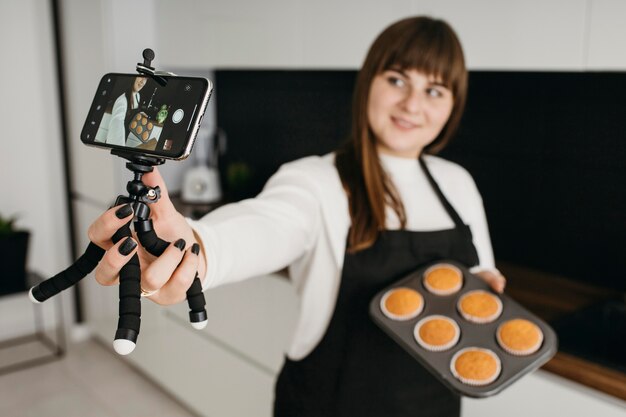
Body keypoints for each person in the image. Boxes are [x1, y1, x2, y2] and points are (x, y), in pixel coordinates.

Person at [89, 16, 506, 417]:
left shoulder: (458, 184)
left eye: (434, 90)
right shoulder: (316, 182)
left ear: (453, 103)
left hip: (435, 404)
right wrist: (189, 249)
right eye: (397, 79)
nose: (412, 104)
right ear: (369, 83)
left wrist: (482, 289)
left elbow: (480, 273)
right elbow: (258, 229)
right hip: (329, 402)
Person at [105, 76, 147, 146]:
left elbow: (130, 113)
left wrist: (139, 114)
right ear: (134, 77)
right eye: (141, 77)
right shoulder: (122, 101)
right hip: (116, 143)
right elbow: (116, 126)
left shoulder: (137, 96)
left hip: (124, 139)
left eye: (145, 79)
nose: (142, 81)